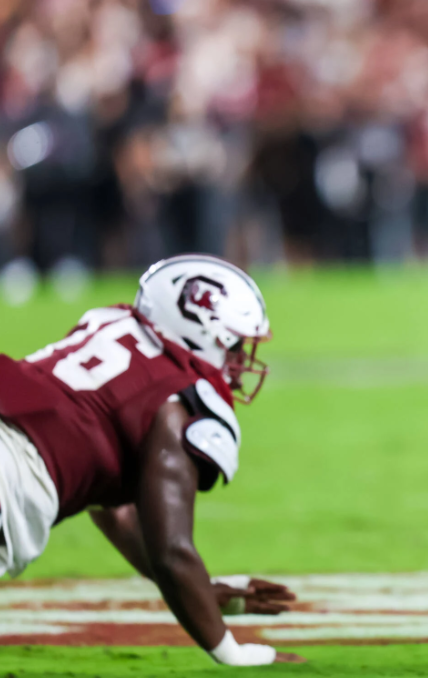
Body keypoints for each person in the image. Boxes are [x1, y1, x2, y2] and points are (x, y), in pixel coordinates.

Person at [0, 254, 300, 666]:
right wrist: (231, 650)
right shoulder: (179, 402)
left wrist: (199, 589)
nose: (238, 364)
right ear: (201, 331)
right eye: (232, 345)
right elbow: (171, 550)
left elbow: (116, 510)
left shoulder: (112, 322)